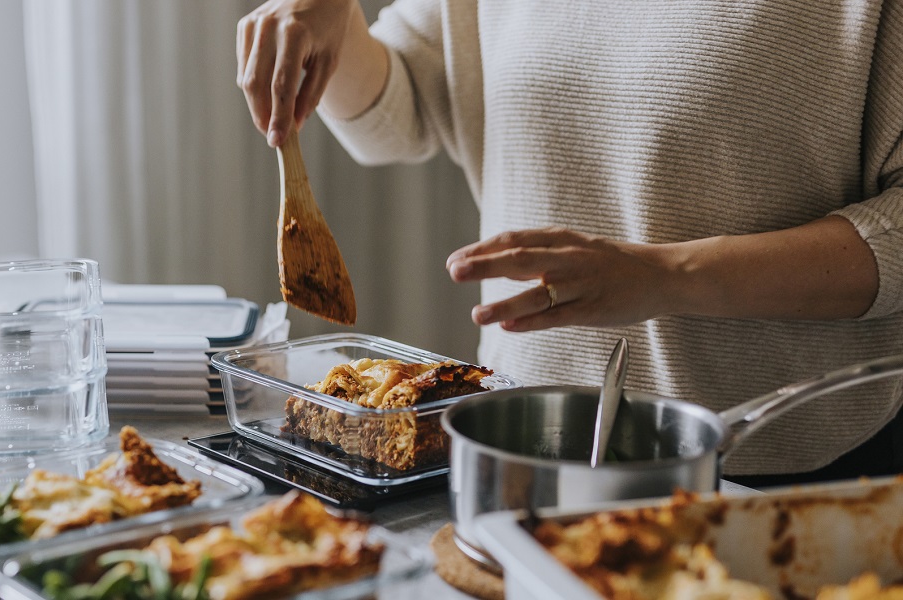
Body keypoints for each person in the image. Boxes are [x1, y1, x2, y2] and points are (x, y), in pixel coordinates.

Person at [235, 0, 903, 486]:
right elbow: (395, 111)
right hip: (517, 446)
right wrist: (330, 13)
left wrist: (669, 275)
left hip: (785, 466)